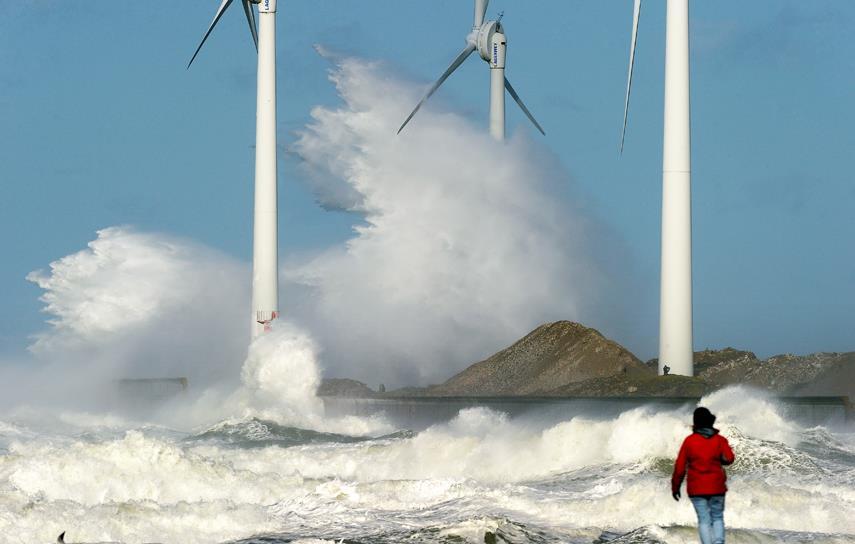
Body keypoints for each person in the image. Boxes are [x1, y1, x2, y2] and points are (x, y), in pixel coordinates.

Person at [671, 407, 735, 544]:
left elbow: (680, 467)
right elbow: (729, 459)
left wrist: (675, 487)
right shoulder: (720, 440)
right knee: (717, 517)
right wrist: (720, 459)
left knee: (703, 520)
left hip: (697, 489)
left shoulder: (689, 441)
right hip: (717, 487)